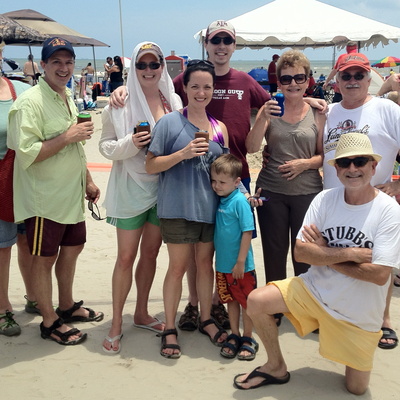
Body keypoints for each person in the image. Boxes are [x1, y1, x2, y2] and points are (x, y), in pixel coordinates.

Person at [234, 133, 400, 395]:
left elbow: (379, 275)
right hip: (314, 291)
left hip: (359, 313)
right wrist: (349, 253)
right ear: (335, 168)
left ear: (373, 166)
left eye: (360, 161)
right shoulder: (325, 199)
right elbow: (301, 253)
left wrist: (325, 252)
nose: (352, 169)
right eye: (345, 163)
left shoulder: (389, 210)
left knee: (356, 388)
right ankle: (275, 365)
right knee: (257, 301)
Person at [7, 37, 103, 346]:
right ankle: (49, 321)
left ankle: (65, 305)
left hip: (70, 194)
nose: (63, 68)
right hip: (44, 198)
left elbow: (74, 144)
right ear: (43, 66)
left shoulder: (66, 96)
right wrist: (68, 135)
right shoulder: (29, 102)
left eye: (68, 62)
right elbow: (28, 153)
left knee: (73, 249)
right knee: (43, 258)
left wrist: (87, 179)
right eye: (56, 62)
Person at [99, 42, 182, 354]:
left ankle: (142, 313)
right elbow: (105, 146)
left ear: (162, 67)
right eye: (142, 65)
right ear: (133, 68)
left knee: (150, 255)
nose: (149, 70)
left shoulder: (171, 99)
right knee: (125, 257)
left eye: (154, 64)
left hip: (164, 187)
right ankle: (116, 323)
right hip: (130, 186)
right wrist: (131, 143)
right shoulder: (119, 103)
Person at [145, 59, 230, 358]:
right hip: (177, 209)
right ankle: (169, 327)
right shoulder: (169, 123)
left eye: (207, 86)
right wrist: (182, 153)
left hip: (210, 210)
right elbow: (151, 164)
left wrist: (242, 195)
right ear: (184, 87)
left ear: (213, 90)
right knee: (178, 268)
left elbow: (226, 171)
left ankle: (206, 318)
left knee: (205, 266)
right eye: (195, 86)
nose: (201, 92)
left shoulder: (220, 129)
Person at [322, 52, 400, 350]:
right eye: (346, 75)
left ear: (370, 78)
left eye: (359, 75)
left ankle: (384, 321)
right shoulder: (328, 112)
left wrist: (397, 184)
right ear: (337, 80)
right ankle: (337, 314)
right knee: (338, 259)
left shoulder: (387, 109)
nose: (352, 81)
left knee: (379, 264)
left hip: (376, 202)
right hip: (333, 202)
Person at [246, 50, 324, 293]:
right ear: (278, 82)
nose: (293, 83)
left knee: (304, 252)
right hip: (272, 191)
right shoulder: (270, 110)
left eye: (299, 78)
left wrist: (305, 164)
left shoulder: (318, 112)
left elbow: (324, 156)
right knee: (274, 251)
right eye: (287, 79)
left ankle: (305, 304)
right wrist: (261, 119)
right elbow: (251, 147)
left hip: (308, 191)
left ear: (308, 80)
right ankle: (275, 305)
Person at [0, 40, 35, 336]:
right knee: (2, 247)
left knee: (28, 242)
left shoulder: (21, 89)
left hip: (26, 181)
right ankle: (2, 308)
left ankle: (34, 297)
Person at [211, 154, 258, 361]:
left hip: (242, 267)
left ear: (237, 182)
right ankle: (235, 334)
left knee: (247, 302)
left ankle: (248, 337)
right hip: (222, 265)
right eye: (214, 181)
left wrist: (240, 262)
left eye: (222, 182)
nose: (217, 186)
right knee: (230, 301)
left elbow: (247, 231)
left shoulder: (240, 201)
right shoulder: (221, 199)